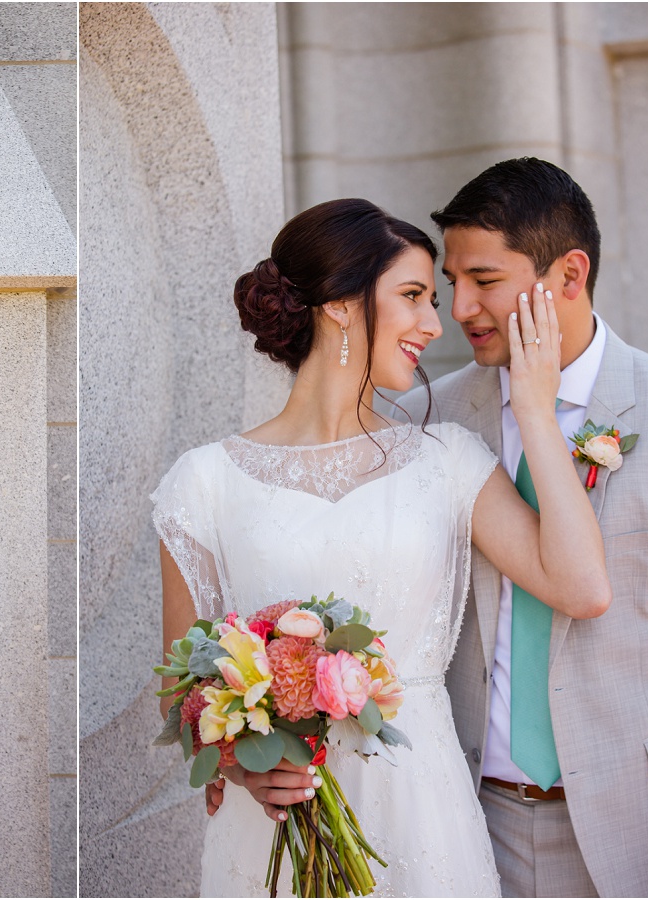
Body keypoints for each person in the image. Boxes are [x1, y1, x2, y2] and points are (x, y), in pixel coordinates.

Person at [153, 198, 612, 896]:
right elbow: (180, 692)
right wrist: (242, 768)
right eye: (413, 297)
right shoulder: (204, 482)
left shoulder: (449, 461)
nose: (435, 323)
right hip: (276, 826)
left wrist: (535, 410)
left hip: (422, 816)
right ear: (340, 303)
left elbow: (582, 587)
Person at [399, 157, 648, 898]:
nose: (459, 309)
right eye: (453, 283)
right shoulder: (427, 422)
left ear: (570, 275)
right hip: (467, 820)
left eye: (484, 281)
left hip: (645, 820)